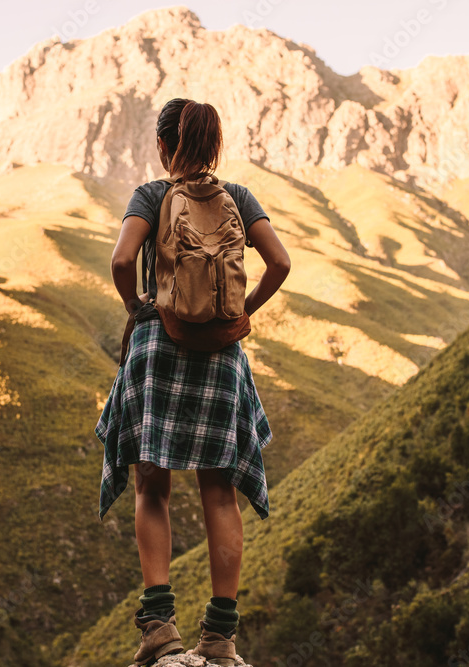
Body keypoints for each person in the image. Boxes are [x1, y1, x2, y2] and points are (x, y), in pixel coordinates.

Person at [94, 97, 291, 666]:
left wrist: (139, 307)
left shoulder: (152, 197)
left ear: (163, 146)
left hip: (161, 349)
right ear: (214, 144)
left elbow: (120, 259)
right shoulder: (240, 197)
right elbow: (279, 262)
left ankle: (159, 629)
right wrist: (243, 311)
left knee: (152, 487)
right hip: (222, 356)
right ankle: (221, 639)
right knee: (219, 493)